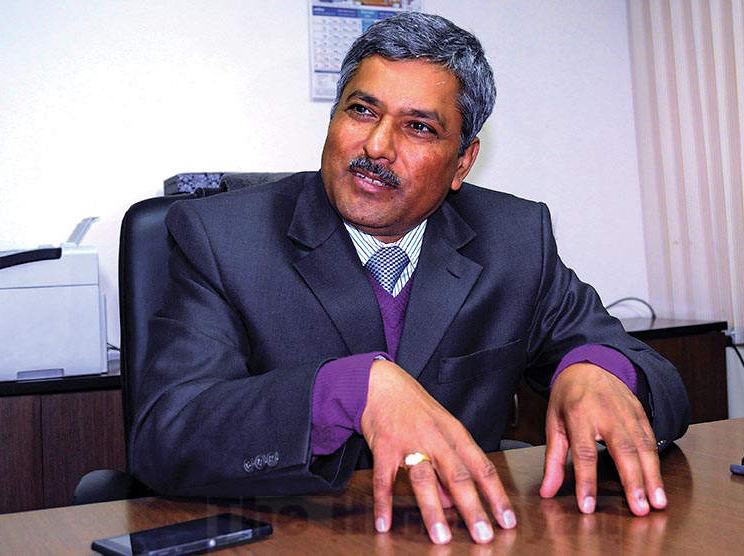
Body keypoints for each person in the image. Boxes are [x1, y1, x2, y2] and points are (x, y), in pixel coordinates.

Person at [131, 12, 689, 545]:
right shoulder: (224, 238)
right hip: (297, 534)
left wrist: (598, 370)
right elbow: (166, 436)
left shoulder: (514, 239)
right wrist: (349, 391)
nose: (377, 146)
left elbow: (653, 375)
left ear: (462, 162)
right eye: (361, 111)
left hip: (464, 534)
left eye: (418, 127)